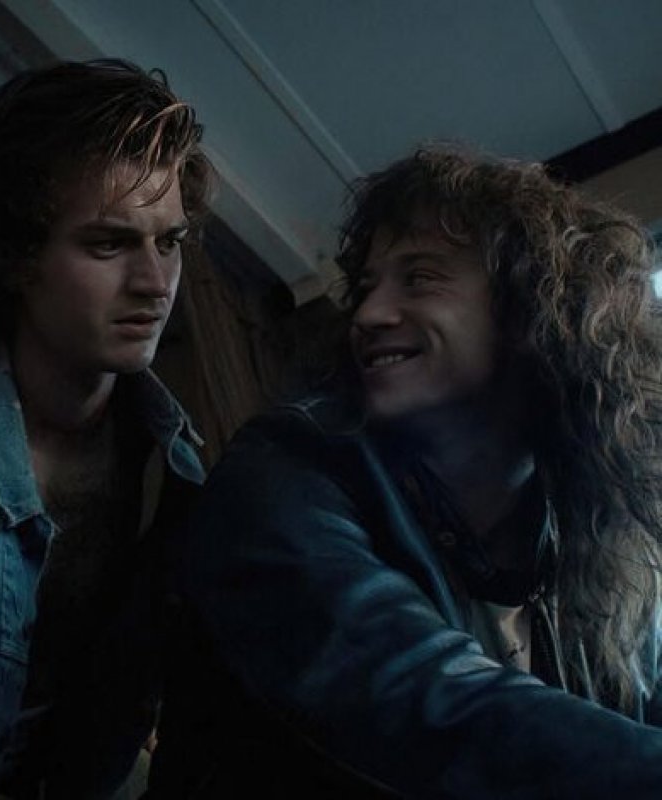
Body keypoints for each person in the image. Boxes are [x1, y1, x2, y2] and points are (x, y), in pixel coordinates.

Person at [149, 145, 662, 798]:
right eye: (366, 288)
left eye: (419, 278)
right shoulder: (283, 470)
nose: (367, 315)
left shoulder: (587, 532)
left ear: (532, 310)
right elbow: (420, 703)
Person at [0, 59, 210, 799]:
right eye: (109, 244)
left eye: (170, 242)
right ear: (15, 255)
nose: (155, 283)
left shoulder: (174, 468)